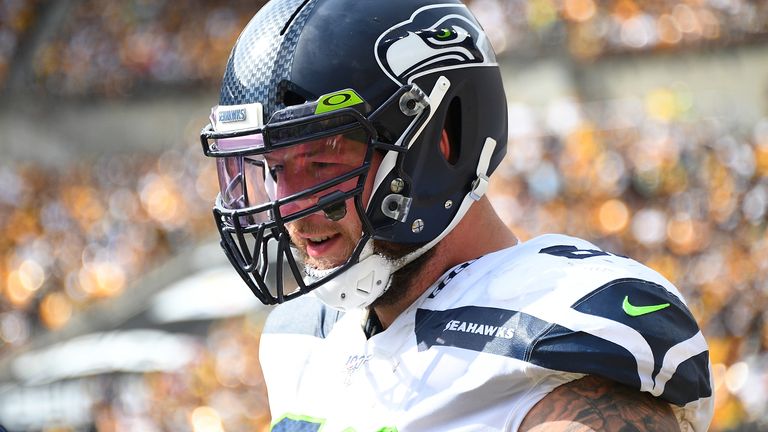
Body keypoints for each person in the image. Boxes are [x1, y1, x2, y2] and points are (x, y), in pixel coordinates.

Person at [199, 0, 714, 430]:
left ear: (439, 146)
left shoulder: (553, 328)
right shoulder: (299, 337)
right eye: (273, 168)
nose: (288, 206)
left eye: (321, 161)